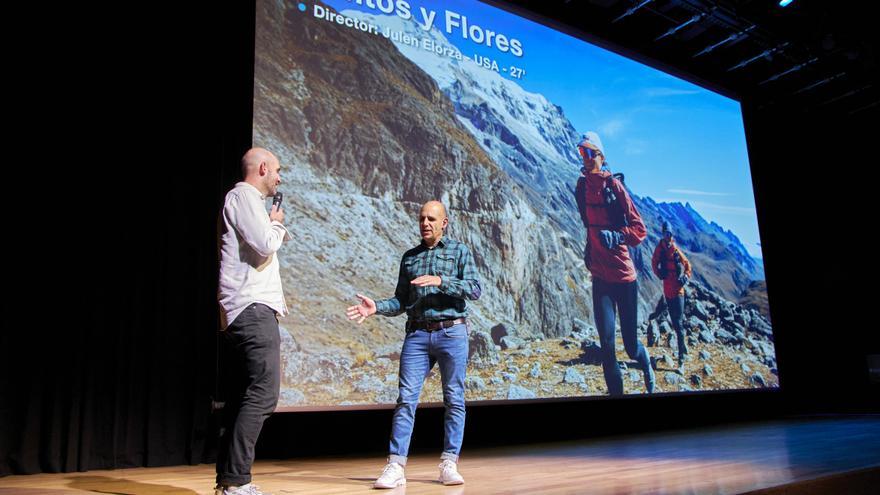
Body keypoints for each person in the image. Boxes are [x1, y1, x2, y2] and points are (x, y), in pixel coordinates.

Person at [346, 200, 481, 489]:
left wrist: (441, 281)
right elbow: (400, 301)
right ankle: (395, 465)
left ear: (444, 223)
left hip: (452, 332)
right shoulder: (410, 258)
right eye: (422, 218)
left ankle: (449, 462)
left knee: (454, 398)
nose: (425, 223)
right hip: (417, 335)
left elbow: (475, 288)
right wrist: (376, 308)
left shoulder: (459, 251)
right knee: (406, 399)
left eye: (432, 219)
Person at [215, 147, 291, 495]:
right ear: (262, 168)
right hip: (252, 308)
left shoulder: (244, 200)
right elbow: (263, 243)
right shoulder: (244, 196)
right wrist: (276, 226)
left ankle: (230, 479)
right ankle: (237, 481)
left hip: (243, 310)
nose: (278, 177)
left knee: (244, 396)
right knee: (263, 393)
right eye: (276, 170)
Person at [573, 132, 655, 396]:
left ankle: (646, 365)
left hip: (624, 278)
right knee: (607, 345)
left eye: (590, 153)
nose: (585, 158)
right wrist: (591, 248)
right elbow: (588, 225)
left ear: (602, 156)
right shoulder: (581, 187)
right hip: (600, 277)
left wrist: (618, 235)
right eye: (581, 152)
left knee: (630, 347)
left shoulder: (615, 188)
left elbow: (639, 229)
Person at [651, 221, 693, 373]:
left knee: (679, 323)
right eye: (665, 234)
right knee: (676, 323)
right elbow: (654, 263)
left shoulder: (675, 250)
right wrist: (658, 273)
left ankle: (681, 360)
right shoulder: (659, 249)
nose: (668, 237)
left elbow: (688, 264)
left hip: (679, 291)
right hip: (668, 292)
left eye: (670, 234)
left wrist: (686, 277)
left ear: (672, 235)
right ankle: (684, 348)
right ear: (662, 234)